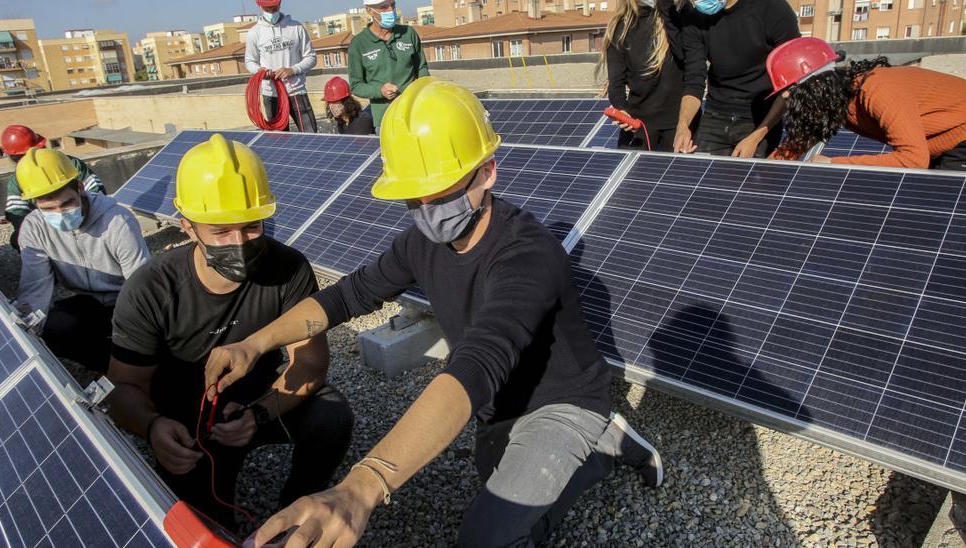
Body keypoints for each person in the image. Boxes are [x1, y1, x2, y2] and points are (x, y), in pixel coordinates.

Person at [202, 79, 664, 548]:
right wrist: (254, 342)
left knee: (486, 539)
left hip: (560, 404)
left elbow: (478, 361)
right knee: (494, 479)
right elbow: (347, 296)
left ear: (486, 174)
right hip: (496, 406)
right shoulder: (420, 243)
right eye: (412, 197)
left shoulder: (528, 255)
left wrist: (363, 487)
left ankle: (597, 446)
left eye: (439, 193)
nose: (426, 210)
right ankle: (581, 454)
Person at [106, 134, 353, 531]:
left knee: (331, 414)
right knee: (207, 526)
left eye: (251, 227)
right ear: (188, 228)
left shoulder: (288, 269)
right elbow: (123, 389)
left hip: (255, 403)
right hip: (186, 425)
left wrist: (259, 414)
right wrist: (153, 428)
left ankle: (296, 510)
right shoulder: (150, 289)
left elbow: (310, 365)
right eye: (220, 231)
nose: (238, 243)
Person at [766, 37, 966, 173]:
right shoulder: (834, 100)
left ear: (815, 87)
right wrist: (760, 171)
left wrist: (833, 164)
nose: (786, 98)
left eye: (790, 90)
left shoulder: (877, 91)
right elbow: (799, 143)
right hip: (943, 143)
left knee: (943, 216)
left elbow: (913, 160)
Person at [13, 148, 150, 373]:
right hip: (88, 302)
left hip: (124, 301)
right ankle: (105, 367)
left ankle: (129, 367)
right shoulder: (33, 228)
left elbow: (140, 285)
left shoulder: (117, 221)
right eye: (49, 208)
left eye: (67, 204)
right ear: (35, 203)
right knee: (53, 326)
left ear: (80, 188)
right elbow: (35, 289)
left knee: (138, 342)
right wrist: (28, 336)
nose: (60, 213)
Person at [673, 0, 800, 157]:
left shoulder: (773, 8)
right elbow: (694, 80)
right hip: (715, 116)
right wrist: (683, 125)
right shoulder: (694, 18)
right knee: (704, 176)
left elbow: (792, 82)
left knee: (751, 179)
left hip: (761, 118)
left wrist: (756, 138)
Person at [601, 0, 686, 151]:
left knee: (677, 174)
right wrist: (622, 110)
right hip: (638, 128)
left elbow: (687, 58)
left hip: (680, 129)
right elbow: (616, 84)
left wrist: (666, 9)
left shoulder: (678, 15)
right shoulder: (620, 27)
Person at [1, 124, 104, 250]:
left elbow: (96, 190)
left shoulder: (69, 163)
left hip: (82, 217)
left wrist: (86, 216)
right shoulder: (17, 179)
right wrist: (34, 231)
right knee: (17, 239)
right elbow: (16, 211)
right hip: (47, 225)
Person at [347, 0, 430, 129]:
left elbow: (421, 67)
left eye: (393, 5)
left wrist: (422, 86)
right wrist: (379, 91)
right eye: (384, 7)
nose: (390, 10)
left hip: (416, 114)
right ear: (369, 10)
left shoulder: (408, 33)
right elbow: (356, 85)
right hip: (385, 120)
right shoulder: (358, 44)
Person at [245, 0, 319, 133]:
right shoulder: (254, 33)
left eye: (274, 8)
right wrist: (259, 71)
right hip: (272, 93)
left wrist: (293, 70)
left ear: (280, 4)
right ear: (260, 6)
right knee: (279, 139)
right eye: (267, 9)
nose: (271, 13)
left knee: (311, 135)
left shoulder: (296, 28)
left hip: (296, 91)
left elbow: (311, 57)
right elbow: (250, 61)